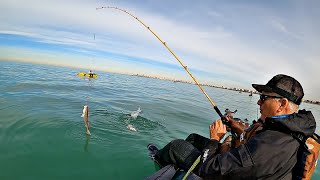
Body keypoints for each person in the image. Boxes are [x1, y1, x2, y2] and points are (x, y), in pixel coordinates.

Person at [147, 74, 317, 179]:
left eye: (264, 97)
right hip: (248, 169)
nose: (258, 101)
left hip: (220, 172)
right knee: (193, 138)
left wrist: (215, 139)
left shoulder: (268, 147)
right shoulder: (290, 130)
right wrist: (235, 126)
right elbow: (253, 142)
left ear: (282, 104)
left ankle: (159, 158)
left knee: (176, 146)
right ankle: (177, 166)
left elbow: (210, 170)